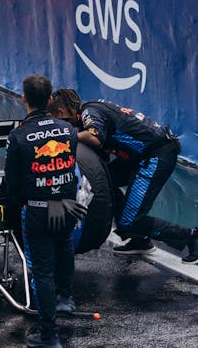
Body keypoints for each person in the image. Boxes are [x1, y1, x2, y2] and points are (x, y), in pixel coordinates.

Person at [49, 89, 197, 263]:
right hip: (139, 156)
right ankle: (139, 240)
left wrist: (65, 136)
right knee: (104, 183)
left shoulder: (90, 112)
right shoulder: (89, 111)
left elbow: (94, 137)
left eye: (58, 120)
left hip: (154, 156)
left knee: (130, 220)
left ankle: (191, 237)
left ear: (61, 112)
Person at [2, 75, 79, 348]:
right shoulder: (68, 130)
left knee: (43, 272)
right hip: (66, 205)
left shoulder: (18, 136)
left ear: (24, 98)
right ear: (49, 100)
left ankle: (49, 336)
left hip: (37, 209)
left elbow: (11, 182)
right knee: (65, 245)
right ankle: (66, 299)